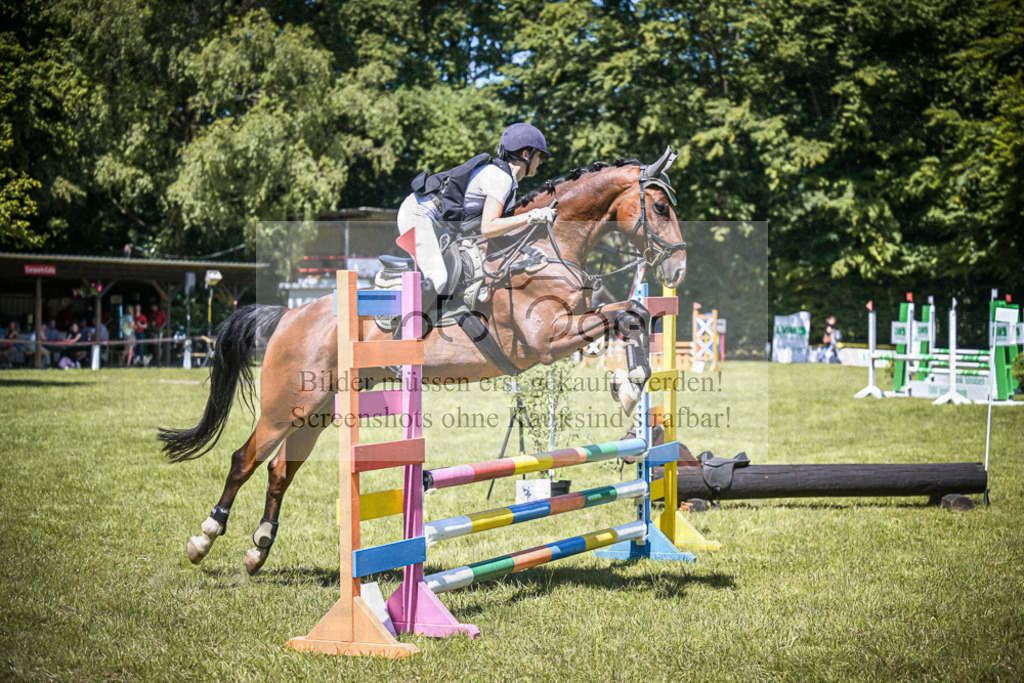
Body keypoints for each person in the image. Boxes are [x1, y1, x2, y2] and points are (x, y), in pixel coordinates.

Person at [397, 122, 556, 312]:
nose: (541, 162)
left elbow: (496, 229)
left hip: (442, 223)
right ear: (525, 154)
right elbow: (488, 228)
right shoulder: (500, 178)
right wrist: (532, 216)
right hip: (419, 214)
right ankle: (404, 334)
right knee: (439, 278)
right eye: (539, 156)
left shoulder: (509, 182)